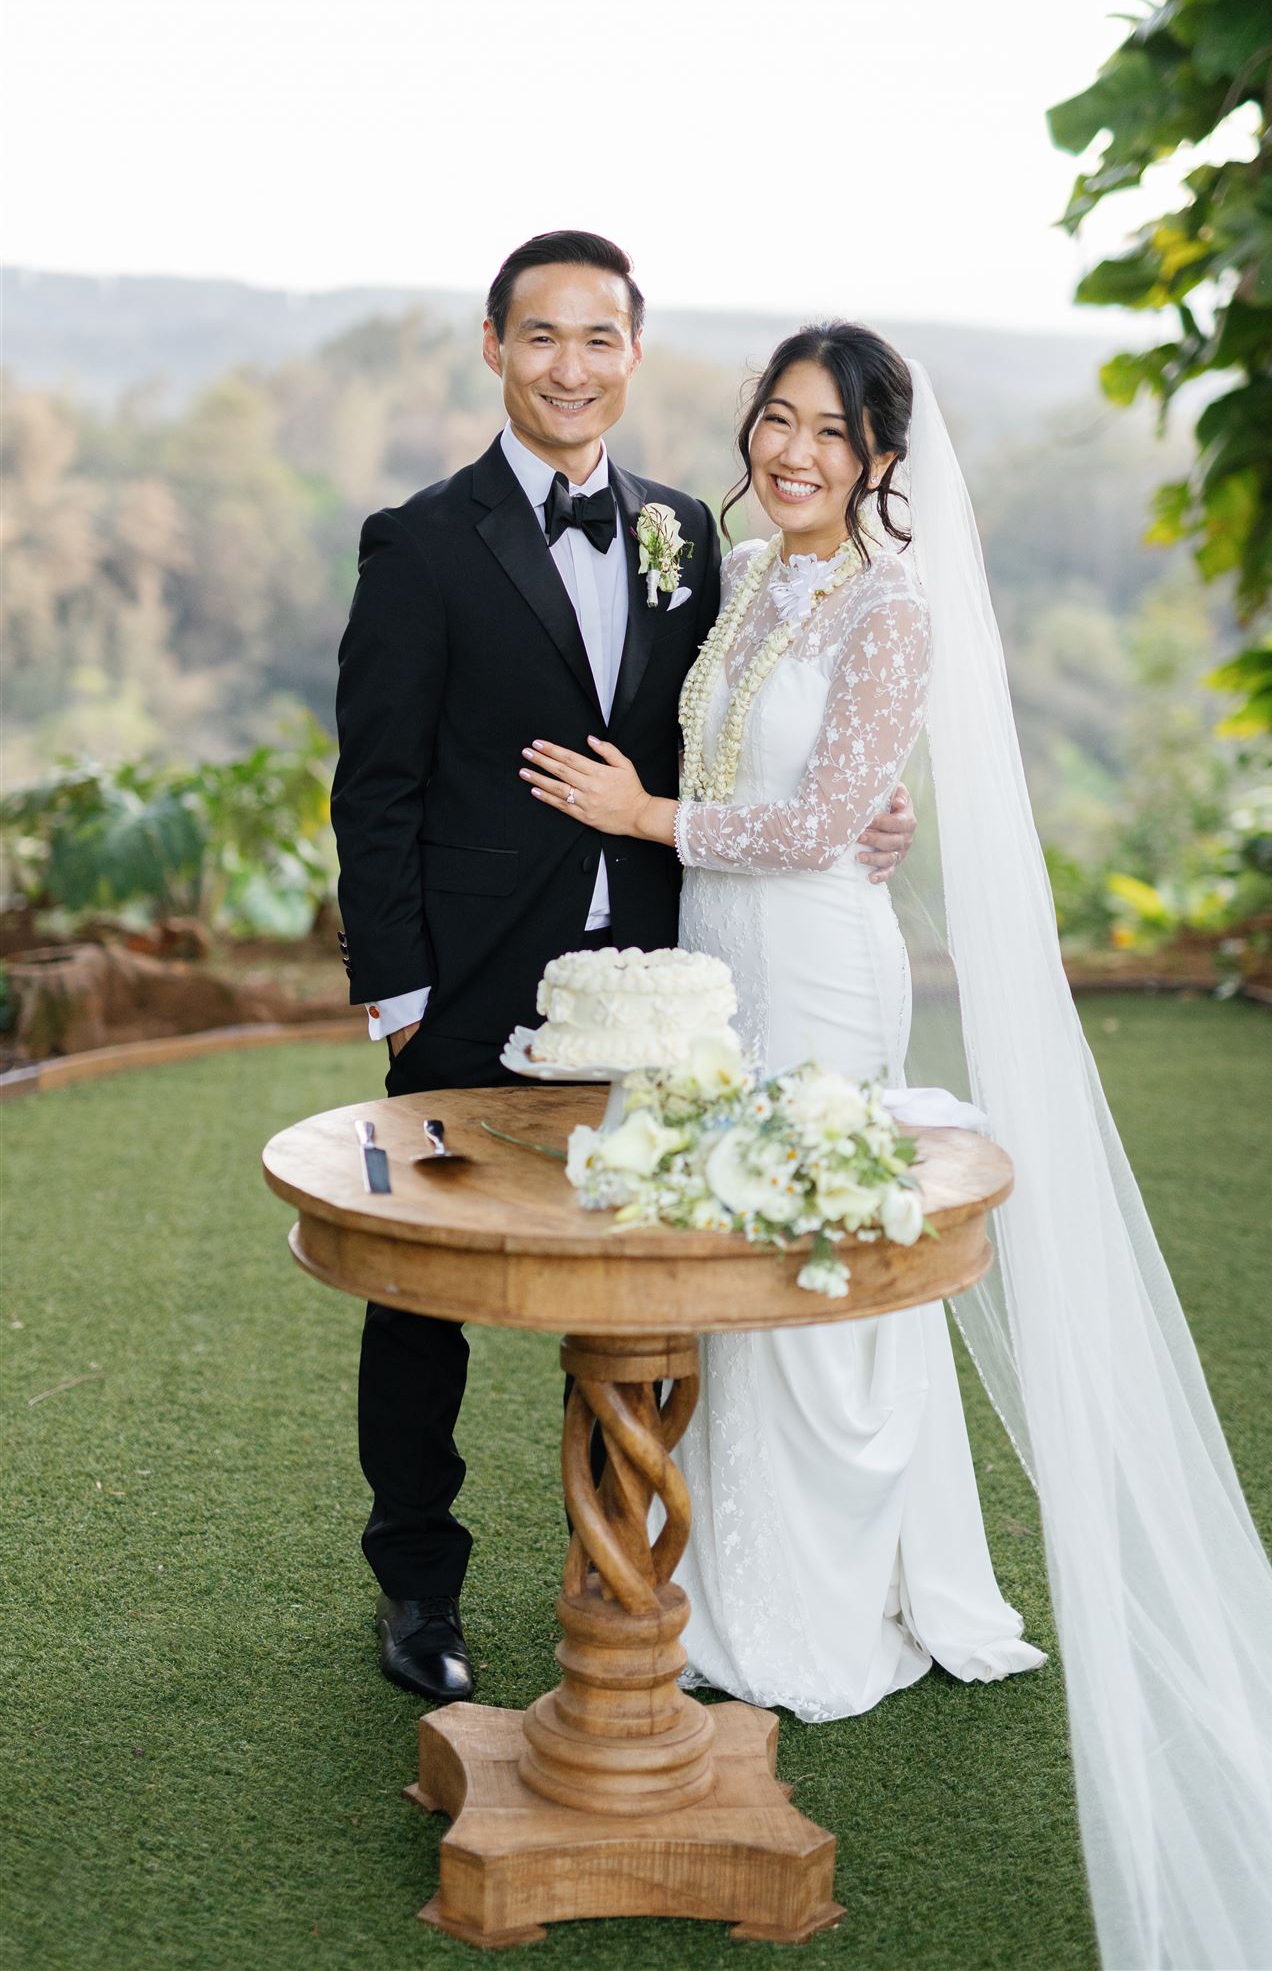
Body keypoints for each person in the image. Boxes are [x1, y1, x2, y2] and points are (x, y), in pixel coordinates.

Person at [522, 323, 1272, 1970]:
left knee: (815, 1259)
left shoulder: (897, 611)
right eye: (775, 419)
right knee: (716, 1252)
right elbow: (773, 757)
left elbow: (834, 823)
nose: (793, 452)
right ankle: (711, 1578)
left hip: (820, 958)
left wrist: (645, 819)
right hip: (714, 957)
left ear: (882, 459)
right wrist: (692, 822)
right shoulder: (750, 573)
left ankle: (834, 1601)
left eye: (829, 434)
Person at [330, 238, 916, 1705]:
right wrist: (401, 994)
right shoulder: (417, 540)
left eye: (600, 338)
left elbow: (725, 735)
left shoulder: (683, 536)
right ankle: (417, 1587)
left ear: (634, 356)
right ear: (494, 347)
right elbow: (375, 786)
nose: (570, 366)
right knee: (424, 1294)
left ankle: (626, 1568)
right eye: (542, 338)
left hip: (666, 977)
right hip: (470, 982)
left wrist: (858, 811)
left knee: (639, 1277)